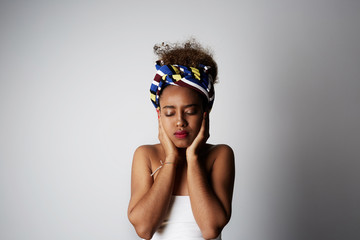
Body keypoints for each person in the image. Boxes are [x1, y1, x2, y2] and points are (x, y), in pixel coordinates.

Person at [128, 39, 235, 240]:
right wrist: (170, 159)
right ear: (159, 116)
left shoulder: (219, 155)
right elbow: (144, 229)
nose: (180, 121)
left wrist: (192, 158)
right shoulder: (146, 155)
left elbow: (210, 229)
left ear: (205, 112)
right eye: (169, 113)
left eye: (191, 111)